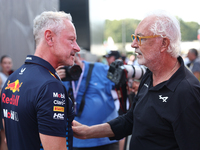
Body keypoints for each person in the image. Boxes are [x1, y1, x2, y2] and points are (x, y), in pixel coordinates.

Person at [72, 10, 200, 150]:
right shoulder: (149, 76)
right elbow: (131, 120)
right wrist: (87, 132)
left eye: (140, 38)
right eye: (134, 37)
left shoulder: (187, 91)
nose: (133, 44)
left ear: (164, 43)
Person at [1, 11, 80, 150]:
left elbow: (9, 138)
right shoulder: (50, 86)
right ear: (49, 38)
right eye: (71, 40)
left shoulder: (12, 78)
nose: (77, 47)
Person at [57, 54, 119, 150]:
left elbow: (123, 88)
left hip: (104, 138)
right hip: (76, 140)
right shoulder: (61, 76)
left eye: (74, 60)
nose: (72, 66)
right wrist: (55, 81)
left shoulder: (101, 69)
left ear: (79, 56)